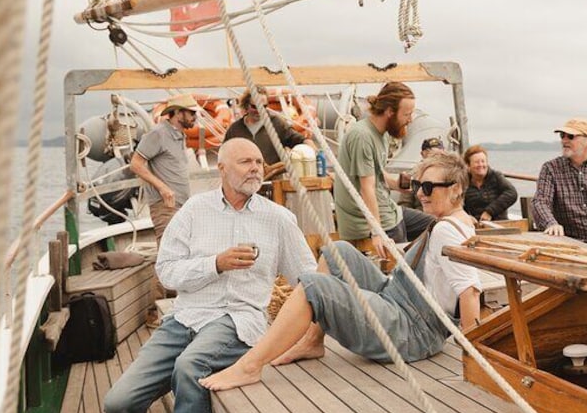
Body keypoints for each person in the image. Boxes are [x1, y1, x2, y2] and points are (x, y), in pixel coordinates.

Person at [104, 138, 317, 413]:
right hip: (184, 317)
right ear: (222, 169)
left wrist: (315, 331)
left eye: (259, 162)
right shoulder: (193, 210)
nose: (256, 169)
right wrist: (215, 264)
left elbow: (308, 279)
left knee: (189, 368)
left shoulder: (278, 219)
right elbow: (166, 272)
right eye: (246, 162)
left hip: (237, 319)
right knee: (119, 404)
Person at [198, 151, 481, 392]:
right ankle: (312, 340)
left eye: (429, 187)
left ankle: (249, 367)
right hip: (400, 298)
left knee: (313, 287)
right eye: (419, 185)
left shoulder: (447, 231)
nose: (420, 193)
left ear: (455, 188)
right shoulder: (457, 221)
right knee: (338, 251)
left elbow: (469, 292)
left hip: (410, 329)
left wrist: (473, 360)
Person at [334, 81, 434, 255]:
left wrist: (399, 184)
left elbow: (378, 174)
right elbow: (367, 188)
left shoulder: (382, 134)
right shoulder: (362, 137)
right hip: (371, 222)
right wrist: (377, 232)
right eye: (406, 115)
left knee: (437, 226)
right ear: (389, 112)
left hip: (389, 210)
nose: (410, 120)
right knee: (404, 269)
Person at [531, 118, 587, 244]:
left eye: (571, 136)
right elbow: (540, 202)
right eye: (562, 136)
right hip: (567, 241)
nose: (564, 140)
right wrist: (551, 224)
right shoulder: (550, 168)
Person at [131, 93, 200, 246]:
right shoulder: (158, 133)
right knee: (168, 249)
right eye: (191, 113)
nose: (195, 116)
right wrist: (163, 188)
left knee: (181, 248)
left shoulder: (180, 134)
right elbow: (135, 164)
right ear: (177, 113)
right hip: (165, 205)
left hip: (181, 204)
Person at [223, 85, 313, 167]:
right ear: (246, 105)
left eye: (264, 106)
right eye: (255, 107)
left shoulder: (277, 124)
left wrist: (311, 149)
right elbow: (224, 154)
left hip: (272, 181)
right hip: (245, 181)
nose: (260, 110)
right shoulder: (235, 130)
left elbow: (299, 139)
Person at [462, 144, 517, 222]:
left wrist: (489, 212)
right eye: (477, 162)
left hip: (500, 223)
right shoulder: (463, 182)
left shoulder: (496, 177)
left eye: (483, 161)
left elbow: (512, 193)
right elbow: (458, 205)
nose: (481, 165)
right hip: (476, 225)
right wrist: (466, 217)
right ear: (468, 165)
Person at [398, 136, 445, 212]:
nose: (436, 158)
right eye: (433, 154)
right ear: (423, 154)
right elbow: (404, 204)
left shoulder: (450, 175)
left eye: (440, 154)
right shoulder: (411, 176)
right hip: (421, 217)